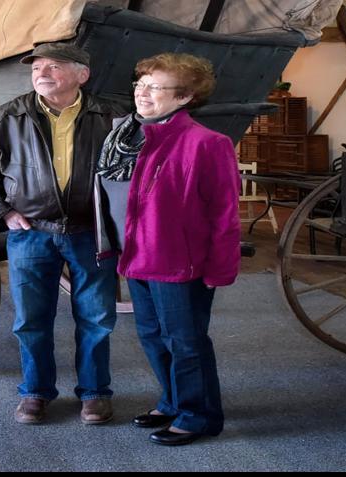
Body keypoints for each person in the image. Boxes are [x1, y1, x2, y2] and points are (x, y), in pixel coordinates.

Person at [0, 43, 128, 425]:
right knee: (32, 319)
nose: (41, 73)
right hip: (32, 233)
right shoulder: (9, 116)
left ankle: (95, 393)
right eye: (37, 67)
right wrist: (2, 212)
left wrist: (120, 220)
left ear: (82, 74)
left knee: (97, 318)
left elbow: (131, 173)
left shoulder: (112, 116)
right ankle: (35, 392)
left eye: (54, 66)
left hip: (91, 233)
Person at [93, 53, 238, 446]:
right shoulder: (127, 137)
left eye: (155, 87)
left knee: (186, 341)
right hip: (135, 256)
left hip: (179, 262)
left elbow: (225, 212)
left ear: (185, 97)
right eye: (140, 85)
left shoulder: (208, 144)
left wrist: (221, 268)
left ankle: (198, 415)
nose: (142, 93)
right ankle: (174, 400)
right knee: (153, 337)